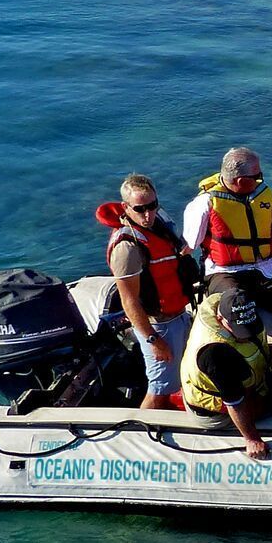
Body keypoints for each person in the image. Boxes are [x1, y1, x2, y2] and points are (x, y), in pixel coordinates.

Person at [182, 146, 272, 341]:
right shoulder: (204, 204)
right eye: (257, 175)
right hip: (225, 272)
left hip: (267, 269)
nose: (261, 179)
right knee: (236, 306)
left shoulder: (266, 197)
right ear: (241, 181)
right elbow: (189, 245)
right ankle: (250, 351)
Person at [96, 174, 194, 412]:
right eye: (140, 209)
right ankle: (142, 435)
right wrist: (153, 340)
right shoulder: (127, 248)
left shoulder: (158, 224)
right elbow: (129, 301)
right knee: (160, 389)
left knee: (182, 378)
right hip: (158, 325)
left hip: (179, 315)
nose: (148, 215)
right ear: (125, 207)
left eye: (152, 206)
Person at [179, 287, 272, 460]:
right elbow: (235, 402)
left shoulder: (219, 302)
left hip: (229, 378)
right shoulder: (215, 354)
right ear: (220, 319)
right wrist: (252, 439)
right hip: (215, 412)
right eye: (239, 329)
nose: (245, 336)